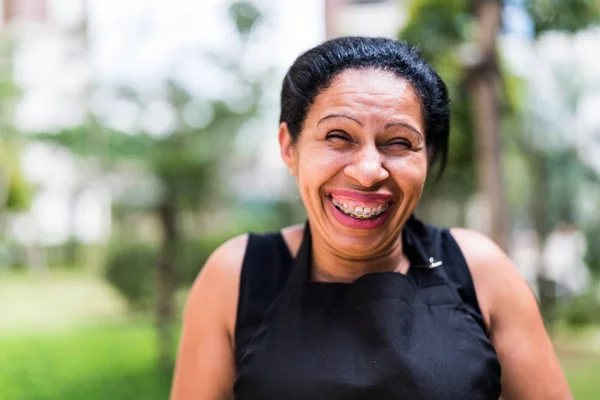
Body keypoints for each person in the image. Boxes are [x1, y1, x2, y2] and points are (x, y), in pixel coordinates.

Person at [170, 37, 571, 400]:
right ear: (289, 147)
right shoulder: (236, 275)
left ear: (427, 158)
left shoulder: (478, 269)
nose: (368, 171)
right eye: (338, 137)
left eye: (398, 143)